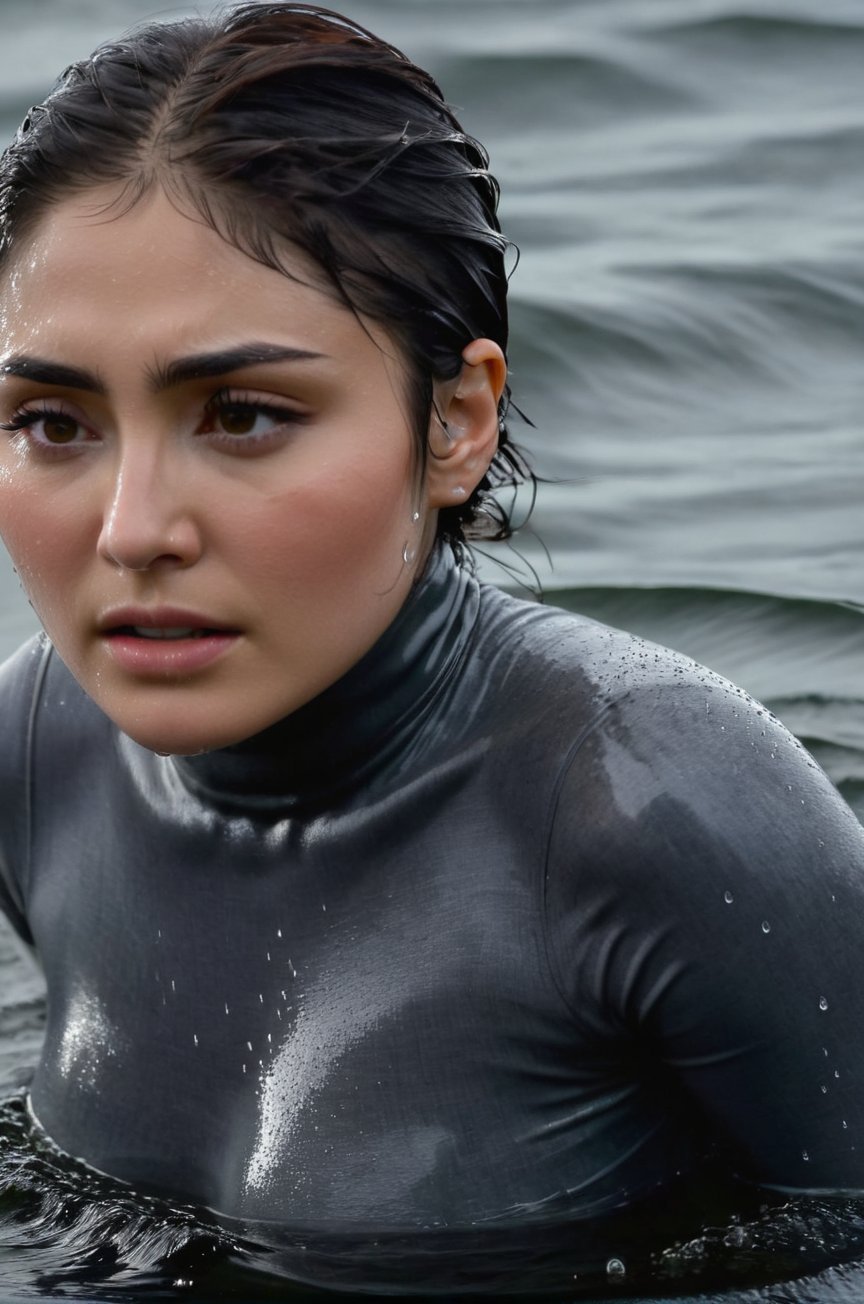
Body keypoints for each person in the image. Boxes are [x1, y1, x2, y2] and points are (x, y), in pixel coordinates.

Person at [0, 0, 862, 1248]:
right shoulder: (38, 756)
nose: (132, 529)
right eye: (55, 424)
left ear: (454, 421)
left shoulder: (656, 811)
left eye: (243, 413)